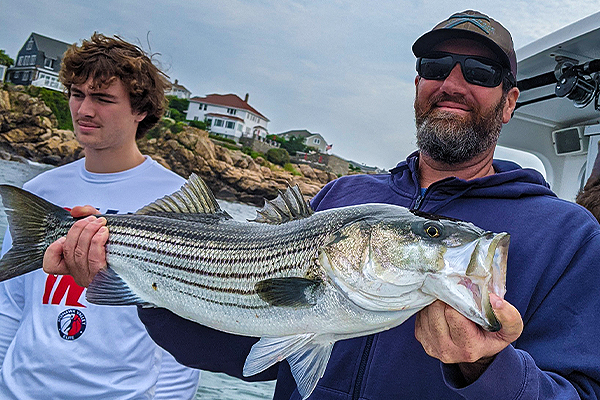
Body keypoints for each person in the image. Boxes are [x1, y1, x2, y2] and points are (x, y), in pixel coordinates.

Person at [43, 11, 600, 399]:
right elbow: (245, 350)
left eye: (479, 74)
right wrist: (149, 285)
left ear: (510, 103)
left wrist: (488, 371)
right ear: (417, 85)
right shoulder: (344, 197)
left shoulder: (568, 236)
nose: (451, 83)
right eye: (435, 68)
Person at [0, 33, 201, 399]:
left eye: (103, 99)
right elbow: (10, 306)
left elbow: (184, 340)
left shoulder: (179, 201)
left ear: (140, 110)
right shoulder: (40, 191)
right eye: (77, 94)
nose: (84, 110)